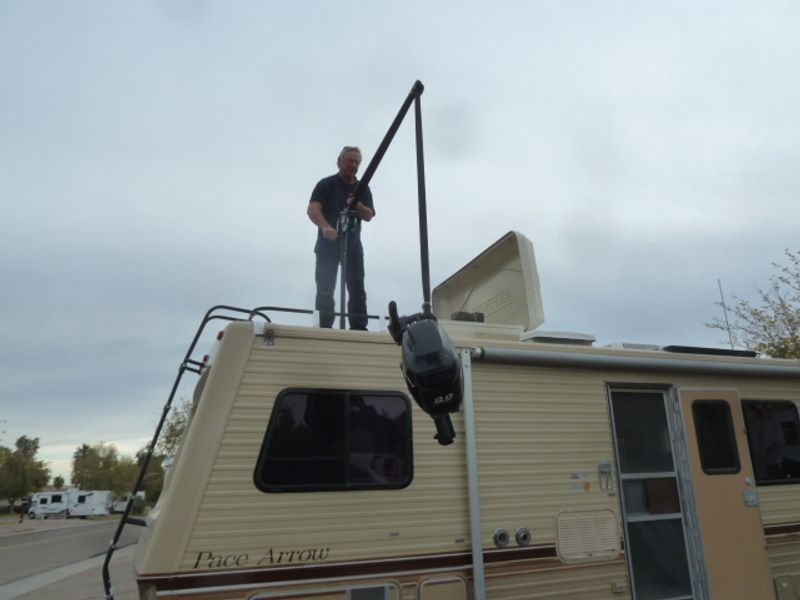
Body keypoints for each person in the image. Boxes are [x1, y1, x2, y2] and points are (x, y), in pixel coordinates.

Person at [307, 146, 375, 330]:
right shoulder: (326, 184)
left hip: (353, 247)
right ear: (339, 161)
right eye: (350, 161)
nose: (353, 165)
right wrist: (325, 227)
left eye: (357, 162)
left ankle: (359, 329)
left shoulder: (363, 188)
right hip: (327, 245)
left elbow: (369, 215)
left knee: (357, 290)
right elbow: (313, 208)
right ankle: (324, 327)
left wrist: (357, 205)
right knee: (325, 289)